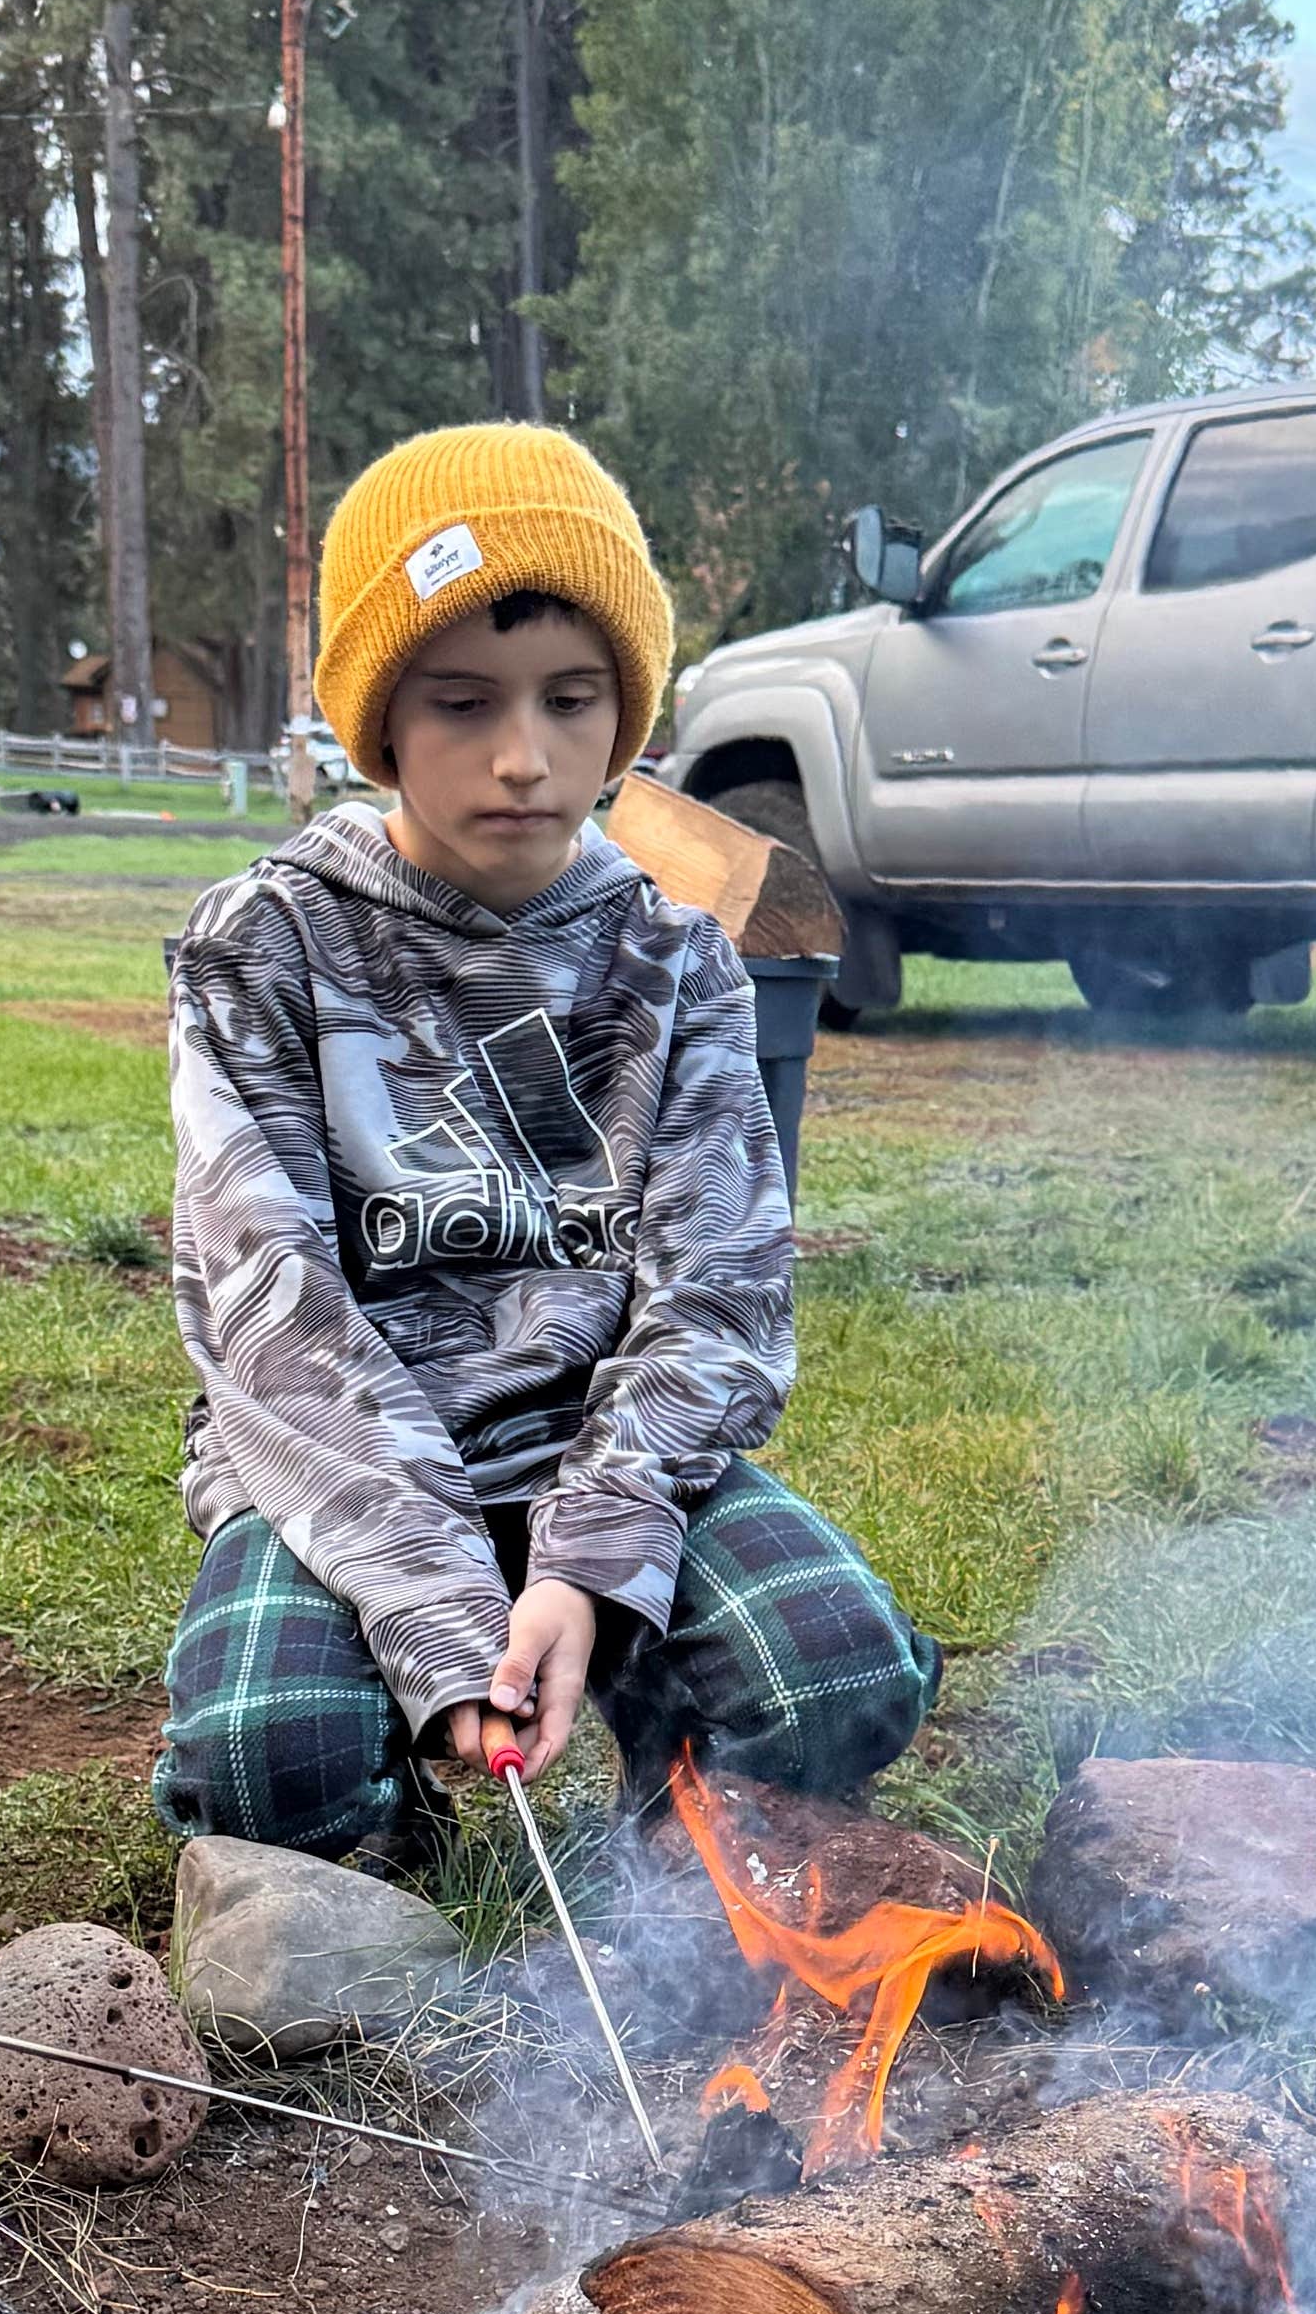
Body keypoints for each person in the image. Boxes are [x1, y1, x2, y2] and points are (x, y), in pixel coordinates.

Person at [153, 421, 932, 1864]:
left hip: (604, 1453)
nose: (525, 759)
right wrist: (442, 1606)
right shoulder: (264, 946)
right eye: (462, 705)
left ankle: (680, 1855)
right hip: (342, 1472)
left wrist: (588, 1560)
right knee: (271, 1760)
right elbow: (274, 1319)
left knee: (833, 1670)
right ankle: (375, 1862)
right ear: (377, 714)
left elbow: (719, 1299)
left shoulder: (679, 960)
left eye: (574, 702)